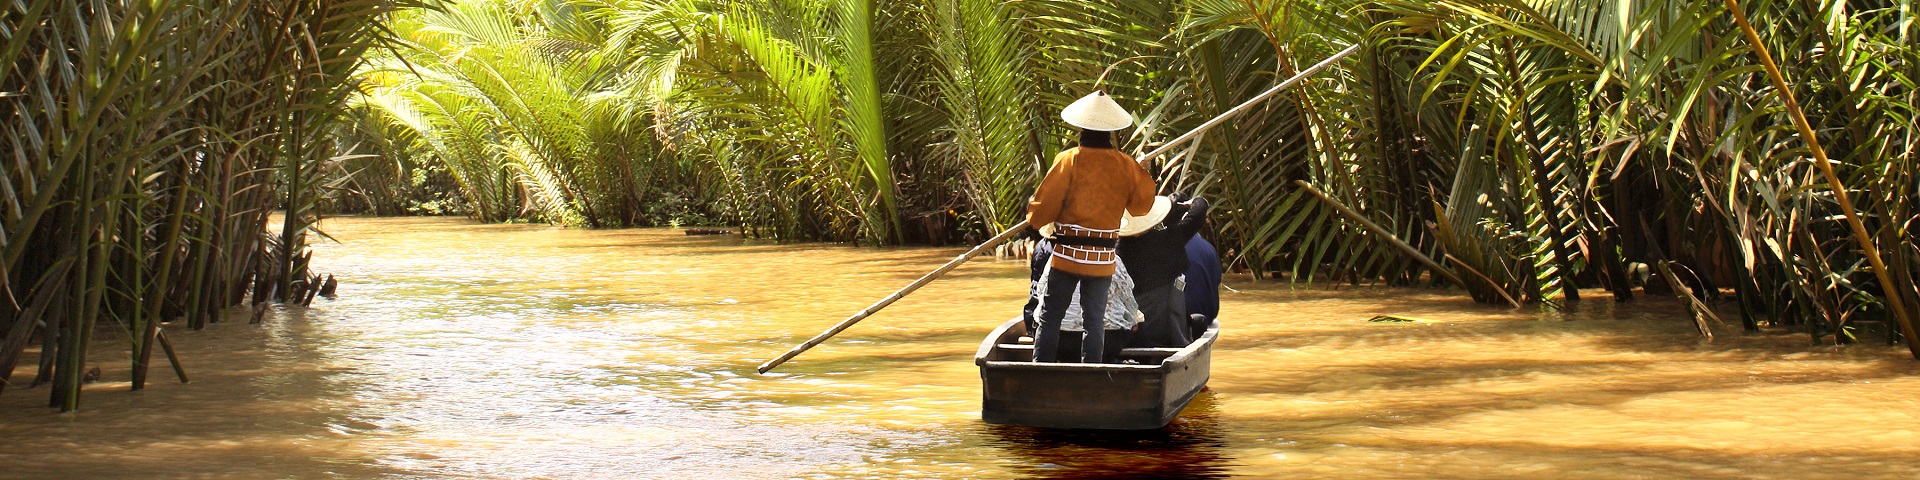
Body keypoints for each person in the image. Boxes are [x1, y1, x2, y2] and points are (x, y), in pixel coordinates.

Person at [1026, 90, 1156, 363]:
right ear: (1109, 131)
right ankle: (1091, 373)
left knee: (1051, 316)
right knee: (1094, 321)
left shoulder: (1069, 160)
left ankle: (1041, 369)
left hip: (1067, 257)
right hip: (1102, 259)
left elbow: (1044, 206)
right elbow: (1141, 207)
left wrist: (1033, 222)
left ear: (1082, 127)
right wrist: (1142, 172)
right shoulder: (1125, 165)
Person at [1023, 238, 1142, 363]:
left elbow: (1040, 294)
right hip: (1107, 342)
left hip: (1058, 343)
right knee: (1136, 322)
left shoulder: (1057, 257)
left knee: (1047, 321)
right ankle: (1140, 361)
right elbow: (1129, 302)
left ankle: (1043, 369)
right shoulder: (1112, 259)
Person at [1115, 193, 1210, 347]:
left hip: (1132, 332)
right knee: (1200, 321)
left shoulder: (1119, 247)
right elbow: (1196, 216)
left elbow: (1169, 221)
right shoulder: (1165, 240)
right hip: (1162, 332)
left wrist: (1176, 208)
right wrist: (1198, 201)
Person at [1183, 225, 1222, 336]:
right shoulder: (1209, 248)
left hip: (1182, 317)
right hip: (1207, 315)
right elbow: (1217, 281)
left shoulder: (1168, 245)